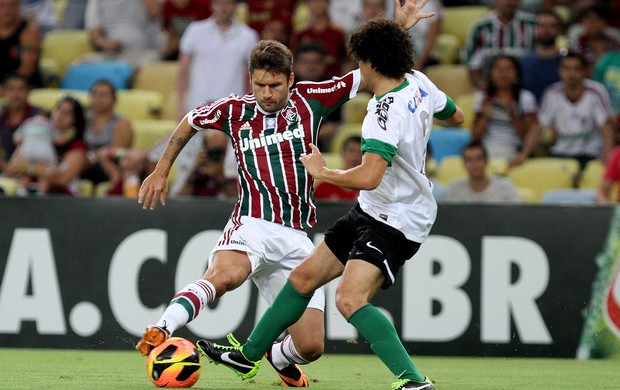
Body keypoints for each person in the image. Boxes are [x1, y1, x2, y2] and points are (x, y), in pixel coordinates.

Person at [135, 2, 434, 389]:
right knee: (227, 274)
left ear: (291, 79)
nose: (267, 93)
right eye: (259, 84)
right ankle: (162, 327)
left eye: (275, 85)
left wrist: (399, 28)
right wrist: (162, 169)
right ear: (251, 81)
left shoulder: (314, 98)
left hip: (297, 236)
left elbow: (377, 68)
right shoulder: (234, 110)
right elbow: (190, 121)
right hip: (253, 223)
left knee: (311, 346)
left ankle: (271, 356)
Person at [538, 51, 615, 171]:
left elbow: (606, 125)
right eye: (567, 69)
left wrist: (608, 156)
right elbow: (539, 126)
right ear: (560, 70)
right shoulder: (551, 93)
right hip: (559, 154)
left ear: (584, 71)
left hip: (590, 154)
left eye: (576, 69)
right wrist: (524, 154)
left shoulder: (596, 91)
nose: (571, 73)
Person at [5, 95, 87, 195]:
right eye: (58, 109)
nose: (60, 115)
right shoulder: (33, 137)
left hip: (58, 196)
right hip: (26, 194)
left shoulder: (77, 146)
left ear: (75, 120)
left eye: (67, 113)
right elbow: (11, 170)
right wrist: (46, 170)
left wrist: (29, 168)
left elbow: (63, 179)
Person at [471, 54, 540, 166]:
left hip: (513, 149)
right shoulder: (482, 97)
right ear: (491, 73)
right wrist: (485, 116)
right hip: (486, 150)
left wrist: (515, 117)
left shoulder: (525, 97)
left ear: (517, 73)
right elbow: (475, 137)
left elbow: (528, 135)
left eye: (509, 69)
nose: (504, 74)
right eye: (499, 69)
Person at [465, 0, 536, 90]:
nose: (509, 2)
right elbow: (472, 62)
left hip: (525, 87)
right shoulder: (480, 27)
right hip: (489, 88)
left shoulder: (532, 25)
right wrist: (481, 86)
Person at [81, 79, 134, 186]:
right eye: (95, 94)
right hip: (85, 163)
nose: (98, 98)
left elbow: (117, 151)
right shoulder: (83, 119)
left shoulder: (121, 122)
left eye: (103, 94)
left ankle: (117, 185)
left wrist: (96, 155)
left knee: (103, 156)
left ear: (114, 99)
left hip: (109, 164)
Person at [84, 0, 165, 67]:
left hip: (145, 52)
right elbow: (94, 32)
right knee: (82, 63)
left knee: (147, 64)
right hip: (114, 54)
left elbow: (156, 11)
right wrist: (107, 44)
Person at [290, 0, 351, 78]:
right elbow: (292, 58)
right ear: (308, 5)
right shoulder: (300, 32)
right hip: (305, 81)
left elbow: (349, 60)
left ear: (328, 4)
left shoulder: (338, 32)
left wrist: (343, 79)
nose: (318, 5)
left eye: (321, 1)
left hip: (333, 81)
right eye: (314, 2)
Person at [445, 141, 521, 203]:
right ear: (464, 164)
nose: (474, 164)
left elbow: (518, 215)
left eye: (478, 159)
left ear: (486, 161)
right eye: (469, 160)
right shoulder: (454, 189)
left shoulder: (505, 187)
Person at [0, 72, 44, 172]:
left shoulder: (39, 115)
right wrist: (6, 168)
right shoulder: (2, 116)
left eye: (21, 89)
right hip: (7, 168)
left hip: (33, 168)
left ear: (28, 91)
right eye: (11, 89)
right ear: (3, 92)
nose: (16, 94)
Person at [520, 9, 564, 103]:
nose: (546, 30)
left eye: (552, 26)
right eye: (541, 26)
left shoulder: (566, 60)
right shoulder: (525, 61)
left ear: (559, 30)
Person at [0, 0, 42, 87]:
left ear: (18, 6)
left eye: (12, 5)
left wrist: (6, 88)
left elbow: (27, 68)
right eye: (1, 6)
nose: (7, 10)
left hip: (23, 86)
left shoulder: (29, 32)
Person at [314, 134, 362, 200]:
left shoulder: (370, 187)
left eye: (360, 152)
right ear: (342, 153)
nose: (355, 156)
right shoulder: (324, 187)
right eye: (351, 151)